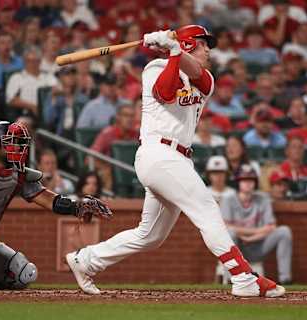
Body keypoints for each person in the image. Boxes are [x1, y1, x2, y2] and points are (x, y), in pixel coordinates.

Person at [66, 25, 286, 298]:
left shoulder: (204, 78)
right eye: (204, 44)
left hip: (175, 159)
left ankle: (86, 260)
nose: (209, 50)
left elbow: (196, 75)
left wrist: (173, 49)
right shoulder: (155, 68)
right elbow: (165, 93)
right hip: (159, 154)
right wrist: (171, 51)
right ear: (190, 44)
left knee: (150, 235)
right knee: (207, 210)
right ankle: (242, 276)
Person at [0, 121, 111, 289]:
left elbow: (47, 199)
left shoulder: (17, 174)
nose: (19, 148)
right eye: (11, 144)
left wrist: (78, 207)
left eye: (20, 144)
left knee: (23, 273)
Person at [220, 164, 293, 285]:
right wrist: (255, 232)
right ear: (238, 183)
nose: (247, 183)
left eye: (251, 180)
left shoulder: (263, 198)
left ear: (255, 182)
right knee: (230, 233)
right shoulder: (228, 199)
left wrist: (250, 237)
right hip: (237, 248)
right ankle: (230, 279)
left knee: (284, 231)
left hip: (258, 246)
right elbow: (225, 228)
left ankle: (285, 278)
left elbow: (271, 227)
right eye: (244, 180)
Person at [5, 46, 58, 119]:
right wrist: (32, 107)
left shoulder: (48, 76)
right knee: (22, 123)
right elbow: (11, 100)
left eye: (35, 61)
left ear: (40, 62)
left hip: (49, 111)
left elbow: (57, 89)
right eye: (29, 61)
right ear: (24, 61)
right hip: (28, 113)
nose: (32, 64)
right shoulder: (17, 77)